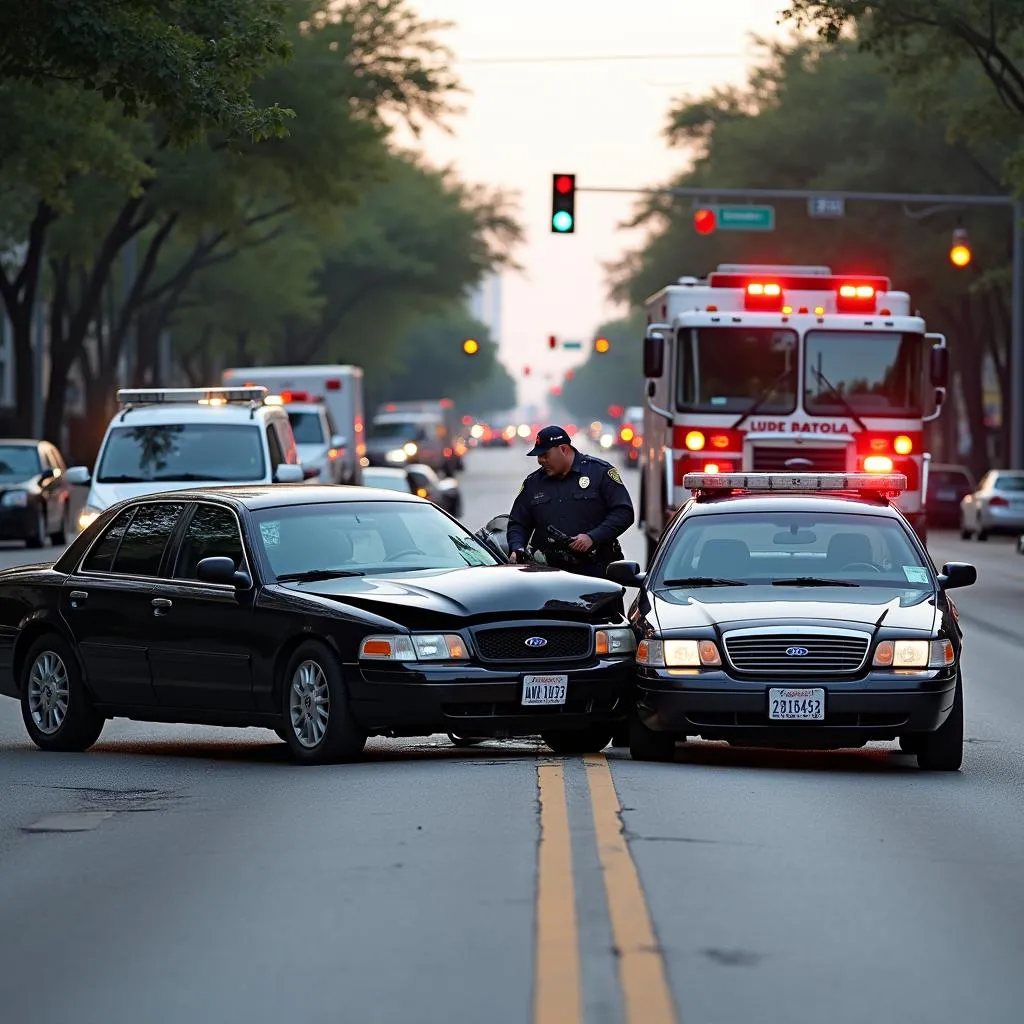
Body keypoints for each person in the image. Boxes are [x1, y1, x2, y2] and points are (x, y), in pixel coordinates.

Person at [507, 425, 635, 578]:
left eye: (545, 454)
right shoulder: (533, 483)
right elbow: (518, 522)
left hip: (596, 572)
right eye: (538, 456)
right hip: (550, 573)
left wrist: (593, 537)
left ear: (563, 449)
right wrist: (517, 548)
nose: (540, 460)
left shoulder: (600, 472)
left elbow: (624, 512)